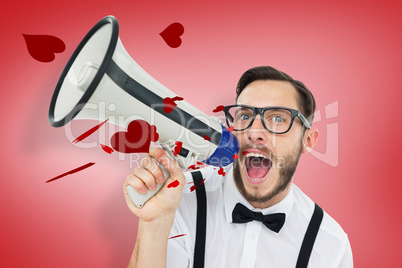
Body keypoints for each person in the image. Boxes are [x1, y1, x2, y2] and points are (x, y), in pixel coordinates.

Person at [123, 66, 353, 267]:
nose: (255, 132)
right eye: (245, 116)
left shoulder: (330, 243)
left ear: (308, 141)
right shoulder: (179, 197)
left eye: (278, 119)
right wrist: (153, 224)